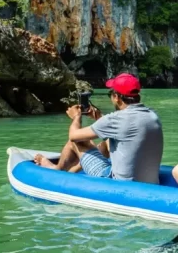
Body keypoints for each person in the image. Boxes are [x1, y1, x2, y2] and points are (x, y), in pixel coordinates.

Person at [33, 73, 164, 184]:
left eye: (110, 94)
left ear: (117, 97)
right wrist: (99, 118)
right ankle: (70, 173)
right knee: (104, 145)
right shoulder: (152, 115)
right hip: (150, 182)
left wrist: (76, 117)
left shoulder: (116, 119)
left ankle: (56, 171)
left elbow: (74, 136)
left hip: (117, 182)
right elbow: (125, 131)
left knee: (77, 142)